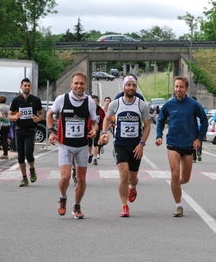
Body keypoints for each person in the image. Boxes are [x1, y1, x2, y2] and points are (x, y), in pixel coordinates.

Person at [47, 71, 98, 219]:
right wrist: (51, 132)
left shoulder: (89, 102)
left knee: (81, 179)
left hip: (82, 145)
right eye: (76, 83)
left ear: (85, 85)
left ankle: (77, 206)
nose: (79, 86)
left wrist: (94, 131)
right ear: (71, 84)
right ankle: (62, 198)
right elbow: (50, 114)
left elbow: (95, 123)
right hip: (65, 145)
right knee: (66, 177)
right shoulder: (62, 99)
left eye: (82, 83)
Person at [155, 76, 208, 217]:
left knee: (184, 178)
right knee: (175, 174)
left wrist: (199, 138)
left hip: (188, 144)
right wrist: (159, 135)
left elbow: (204, 121)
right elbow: (160, 120)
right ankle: (179, 206)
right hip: (173, 142)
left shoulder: (193, 104)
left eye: (181, 87)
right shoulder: (169, 104)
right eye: (176, 86)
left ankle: (176, 185)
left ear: (186, 89)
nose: (178, 89)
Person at [100, 74, 151, 217]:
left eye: (133, 85)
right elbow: (107, 118)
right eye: (128, 85)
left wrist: (142, 144)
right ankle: (124, 206)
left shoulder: (142, 105)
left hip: (136, 145)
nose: (131, 87)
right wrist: (105, 132)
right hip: (120, 144)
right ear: (124, 87)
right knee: (123, 175)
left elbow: (147, 127)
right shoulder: (115, 104)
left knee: (132, 178)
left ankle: (133, 187)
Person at [8, 78, 44, 187]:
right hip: (19, 129)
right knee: (20, 156)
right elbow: (9, 116)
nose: (27, 87)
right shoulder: (16, 100)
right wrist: (15, 116)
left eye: (29, 85)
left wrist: (37, 119)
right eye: (25, 85)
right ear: (21, 87)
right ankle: (24, 178)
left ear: (31, 87)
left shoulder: (36, 100)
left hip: (31, 129)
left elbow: (41, 114)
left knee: (29, 154)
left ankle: (32, 169)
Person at [87, 95, 105, 165]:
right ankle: (90, 154)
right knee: (89, 143)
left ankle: (95, 158)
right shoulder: (88, 109)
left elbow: (104, 119)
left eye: (96, 101)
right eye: (93, 100)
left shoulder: (100, 110)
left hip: (97, 128)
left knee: (96, 143)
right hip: (89, 128)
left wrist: (103, 130)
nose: (95, 102)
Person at [0, 95, 11, 159]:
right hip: (7, 123)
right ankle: (6, 152)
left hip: (1, 124)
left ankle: (5, 154)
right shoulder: (8, 107)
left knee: (3, 139)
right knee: (6, 138)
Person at [191, 96, 202, 163]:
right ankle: (199, 151)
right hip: (200, 128)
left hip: (193, 128)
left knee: (193, 143)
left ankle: (194, 158)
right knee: (199, 141)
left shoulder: (190, 107)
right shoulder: (200, 107)